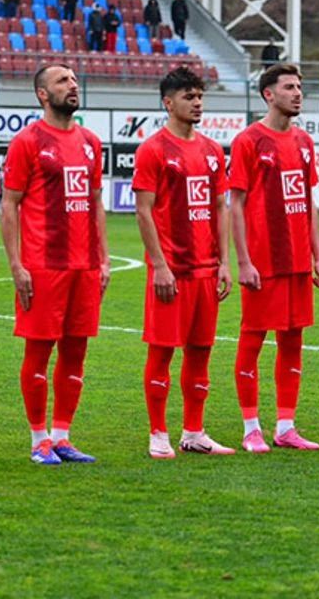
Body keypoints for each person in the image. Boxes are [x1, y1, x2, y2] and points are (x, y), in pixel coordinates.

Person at [0, 64, 110, 465]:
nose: (73, 85)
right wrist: (16, 265)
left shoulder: (90, 142)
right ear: (42, 94)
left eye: (75, 79)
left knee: (76, 351)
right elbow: (9, 204)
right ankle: (39, 439)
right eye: (63, 81)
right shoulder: (27, 141)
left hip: (85, 266)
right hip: (43, 264)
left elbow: (96, 202)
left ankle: (62, 436)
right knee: (39, 351)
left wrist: (103, 259)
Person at [133, 67, 235, 459]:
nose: (197, 103)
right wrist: (159, 265)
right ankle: (158, 433)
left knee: (201, 351)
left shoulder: (212, 151)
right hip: (171, 271)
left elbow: (219, 207)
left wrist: (224, 262)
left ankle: (194, 432)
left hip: (206, 269)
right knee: (162, 351)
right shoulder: (153, 149)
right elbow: (144, 210)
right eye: (188, 97)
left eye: (200, 96)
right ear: (168, 103)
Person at [228, 63, 319, 452]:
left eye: (299, 86)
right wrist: (243, 261)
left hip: (298, 261)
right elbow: (235, 204)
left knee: (293, 341)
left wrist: (318, 256)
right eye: (289, 87)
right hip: (263, 261)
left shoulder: (304, 141)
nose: (297, 93)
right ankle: (251, 427)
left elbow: (308, 200)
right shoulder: (249, 140)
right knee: (252, 339)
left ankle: (286, 426)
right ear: (269, 94)